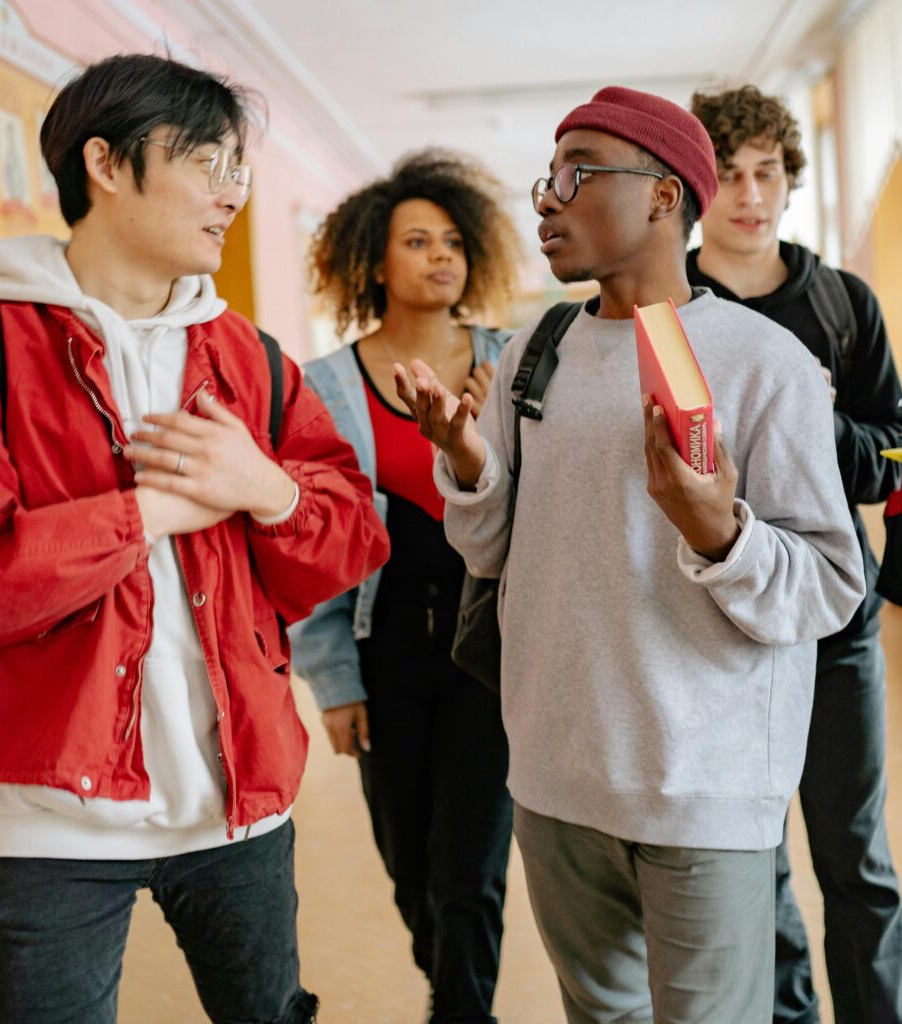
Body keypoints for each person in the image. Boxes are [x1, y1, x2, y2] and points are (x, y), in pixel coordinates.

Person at [0, 54, 389, 1024]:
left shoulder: (244, 355)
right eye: (206, 162)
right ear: (106, 165)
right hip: (43, 818)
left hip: (238, 791)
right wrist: (151, 512)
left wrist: (268, 489)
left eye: (238, 170)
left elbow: (349, 538)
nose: (231, 194)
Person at [396, 85, 866, 1024]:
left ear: (664, 195)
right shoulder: (539, 350)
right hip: (557, 779)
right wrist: (466, 462)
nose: (547, 199)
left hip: (704, 790)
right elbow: (489, 553)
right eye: (546, 178)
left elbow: (829, 587)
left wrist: (717, 532)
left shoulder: (763, 362)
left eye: (577, 175)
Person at [687, 83, 902, 1024]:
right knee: (756, 855)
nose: (749, 192)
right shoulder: (667, 304)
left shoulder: (842, 302)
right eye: (728, 173)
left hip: (833, 618)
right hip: (715, 621)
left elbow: (890, 460)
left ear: (789, 179)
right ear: (697, 186)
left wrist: (811, 415)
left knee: (855, 855)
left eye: (766, 171)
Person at [291, 149, 521, 1024]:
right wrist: (333, 685)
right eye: (416, 241)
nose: (440, 257)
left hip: (488, 651)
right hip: (379, 650)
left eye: (453, 241)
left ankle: (463, 1011)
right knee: (409, 859)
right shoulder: (325, 387)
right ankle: (449, 983)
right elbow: (313, 550)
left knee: (474, 865)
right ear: (372, 263)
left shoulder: (511, 364)